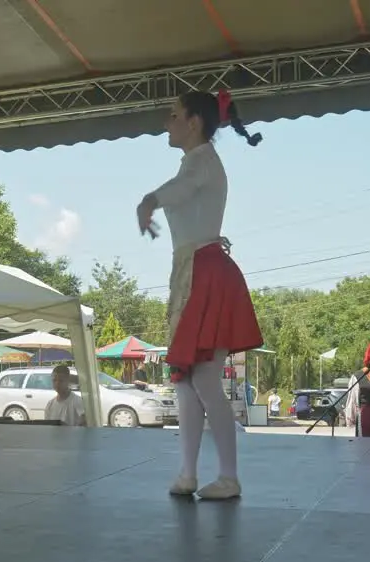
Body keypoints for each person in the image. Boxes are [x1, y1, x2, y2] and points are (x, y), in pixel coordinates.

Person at [136, 89, 264, 500]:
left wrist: (150, 200)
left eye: (173, 115)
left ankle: (228, 476)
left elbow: (182, 188)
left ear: (194, 122)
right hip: (196, 270)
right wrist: (153, 200)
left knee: (205, 378)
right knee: (188, 381)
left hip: (205, 271)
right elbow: (180, 187)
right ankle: (189, 473)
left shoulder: (203, 162)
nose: (166, 122)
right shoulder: (197, 161)